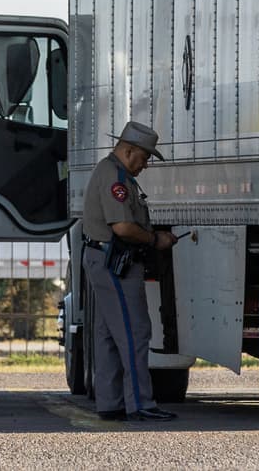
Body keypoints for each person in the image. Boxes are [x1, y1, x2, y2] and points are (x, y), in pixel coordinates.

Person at [81, 120, 179, 422]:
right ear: (128, 150)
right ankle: (141, 403)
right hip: (115, 263)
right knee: (134, 331)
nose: (146, 164)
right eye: (145, 157)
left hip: (104, 258)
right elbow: (122, 227)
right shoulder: (115, 177)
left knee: (109, 334)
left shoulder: (114, 172)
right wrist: (155, 239)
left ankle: (111, 403)